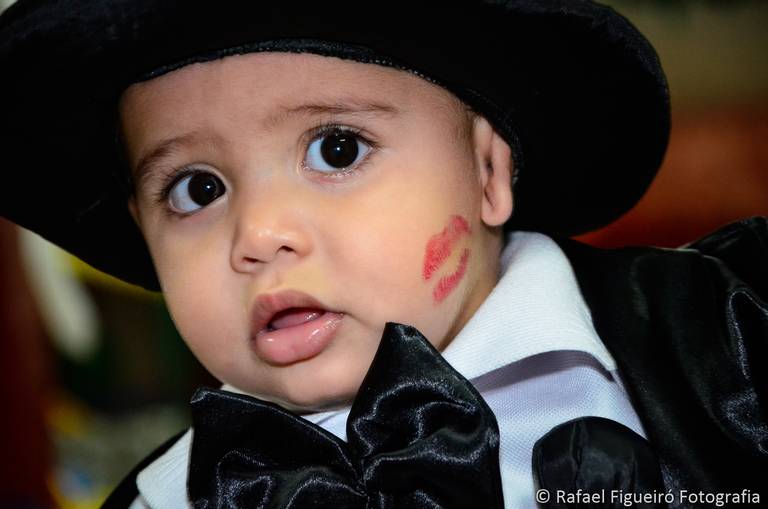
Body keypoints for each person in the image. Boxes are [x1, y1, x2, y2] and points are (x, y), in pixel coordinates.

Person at [1, 1, 765, 508]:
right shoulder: (168, 495)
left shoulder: (728, 334)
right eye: (198, 189)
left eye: (337, 148)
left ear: (488, 171)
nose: (260, 233)